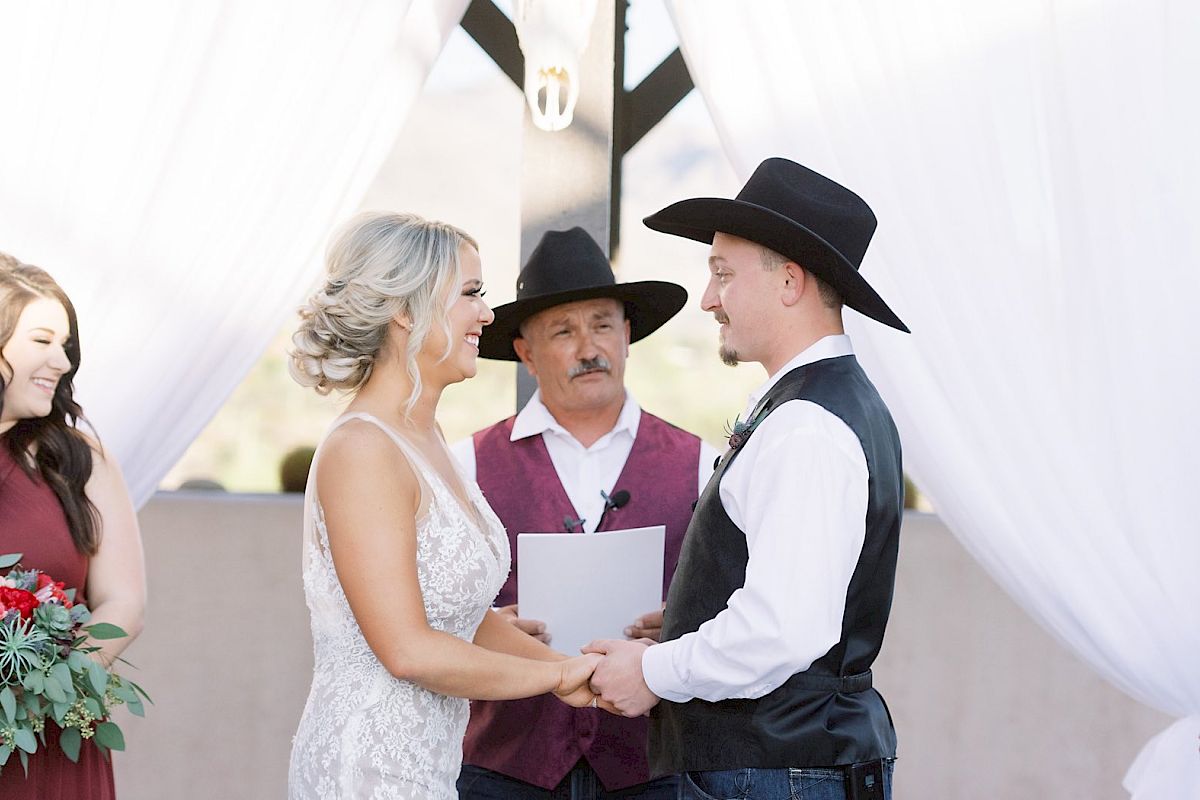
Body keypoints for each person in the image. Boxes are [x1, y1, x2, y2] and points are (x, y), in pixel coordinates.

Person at [585, 158, 910, 800]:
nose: (708, 299)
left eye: (723, 275)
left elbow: (781, 629)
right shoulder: (817, 406)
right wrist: (689, 622)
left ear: (789, 282)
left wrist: (655, 669)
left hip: (773, 773)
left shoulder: (808, 426)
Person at [286, 213, 602, 800]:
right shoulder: (363, 449)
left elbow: (460, 616)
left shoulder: (426, 440)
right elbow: (407, 649)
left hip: (429, 766)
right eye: (471, 294)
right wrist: (553, 675)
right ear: (407, 308)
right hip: (369, 767)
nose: (487, 314)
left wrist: (562, 667)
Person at [451, 227, 720, 799]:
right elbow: (426, 609)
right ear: (525, 353)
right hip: (506, 764)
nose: (589, 348)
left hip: (653, 765)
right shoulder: (463, 465)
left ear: (627, 334)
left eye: (602, 324)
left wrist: (683, 621)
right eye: (563, 331)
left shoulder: (704, 463)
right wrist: (483, 626)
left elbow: (735, 602)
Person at [0, 257, 146, 800]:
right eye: (42, 340)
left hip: (48, 736)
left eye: (66, 346)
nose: (62, 361)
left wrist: (38, 694)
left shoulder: (80, 460)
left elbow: (124, 601)